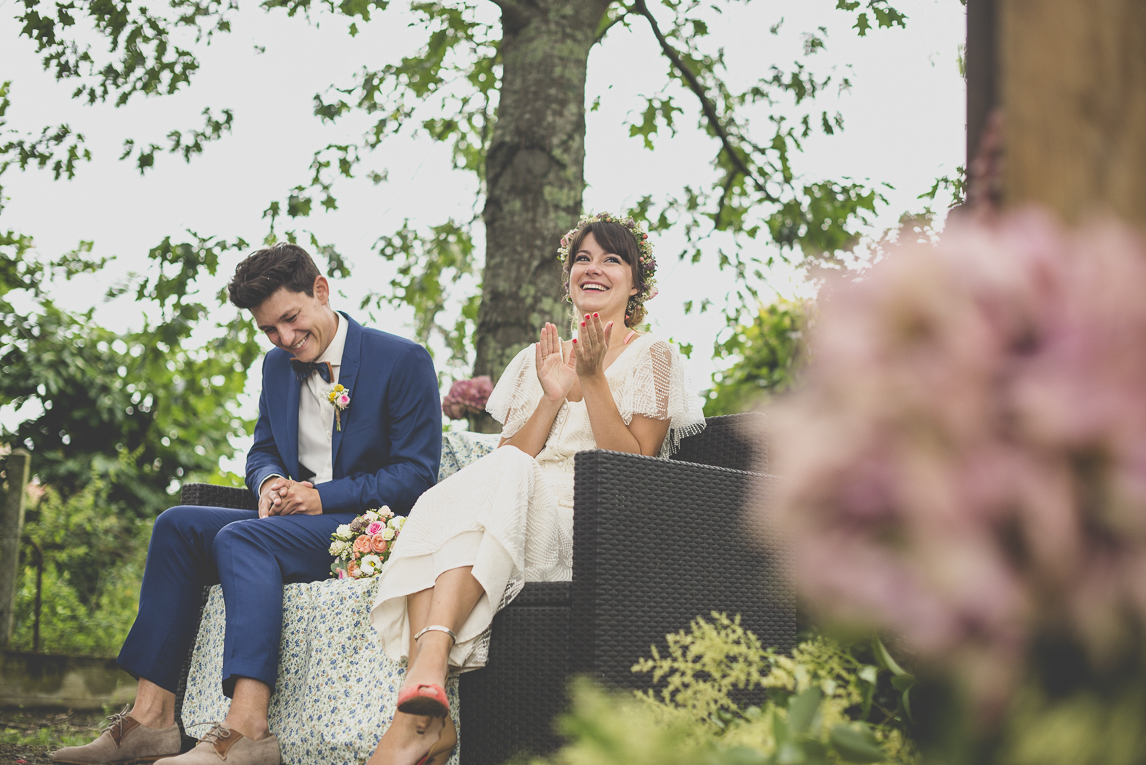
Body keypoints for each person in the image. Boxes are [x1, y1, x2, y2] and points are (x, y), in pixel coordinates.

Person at [52, 243, 442, 765]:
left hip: (368, 528)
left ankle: (247, 730)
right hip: (291, 525)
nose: (284, 339)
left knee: (241, 537)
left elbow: (416, 476)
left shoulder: (403, 359)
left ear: (320, 291)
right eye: (269, 331)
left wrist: (319, 495)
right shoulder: (277, 368)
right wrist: (268, 484)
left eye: (290, 319)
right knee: (178, 525)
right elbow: (261, 449)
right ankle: (152, 719)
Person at [366, 213, 706, 765]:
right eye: (583, 259)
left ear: (637, 281)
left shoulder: (655, 356)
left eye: (612, 259)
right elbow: (511, 460)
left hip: (591, 520)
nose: (593, 269)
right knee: (471, 492)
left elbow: (636, 470)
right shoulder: (535, 358)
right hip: (515, 507)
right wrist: (552, 395)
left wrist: (592, 379)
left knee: (489, 488)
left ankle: (425, 694)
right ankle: (428, 701)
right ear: (568, 275)